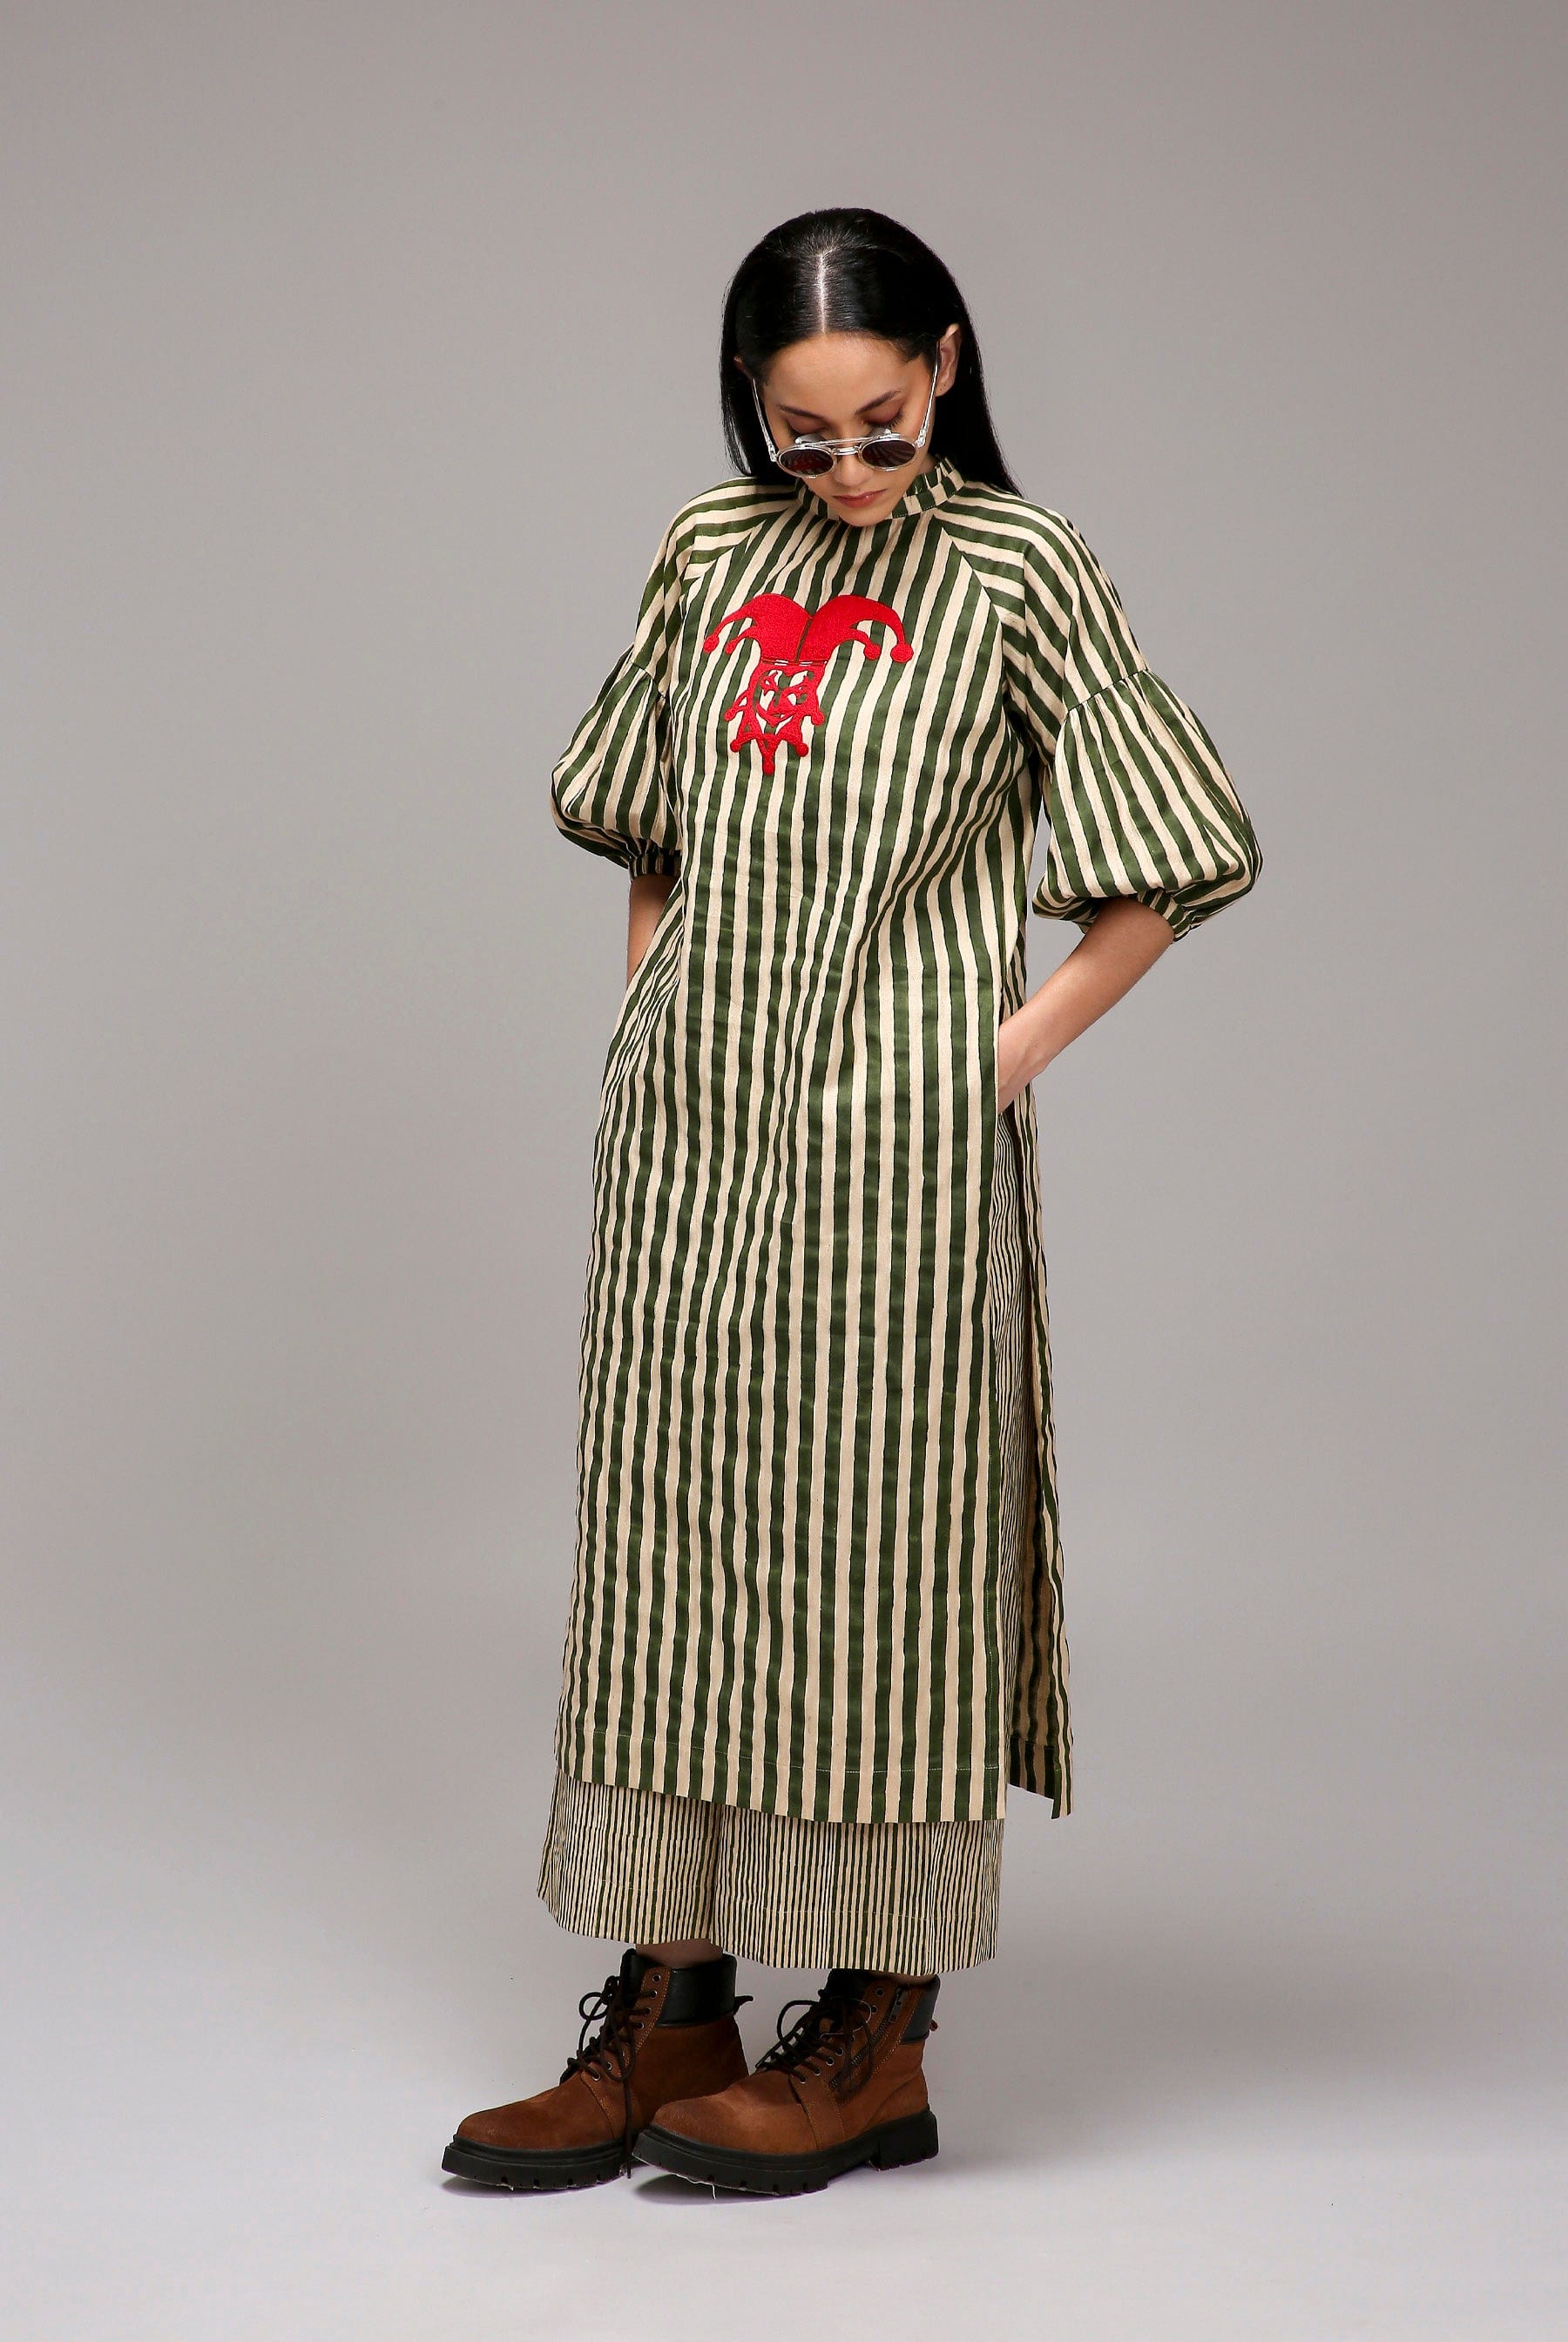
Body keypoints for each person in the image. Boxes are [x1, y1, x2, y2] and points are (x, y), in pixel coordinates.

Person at [442, 206, 1261, 2198]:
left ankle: (878, 2034)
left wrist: (996, 1055)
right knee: (670, 1539)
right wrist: (646, 1023)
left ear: (948, 364)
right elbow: (644, 822)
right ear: (753, 407)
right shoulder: (709, 552)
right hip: (690, 1143)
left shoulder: (1019, 569)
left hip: (895, 1159)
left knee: (880, 1556)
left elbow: (1181, 850)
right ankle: (671, 2006)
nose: (847, 468)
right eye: (802, 435)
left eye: (881, 424)